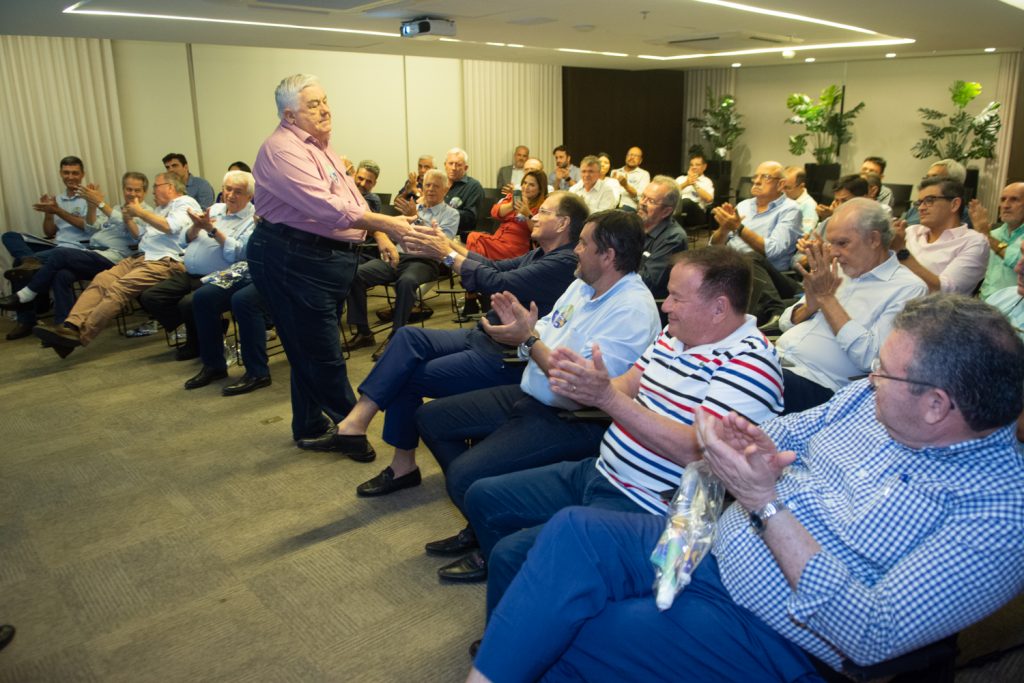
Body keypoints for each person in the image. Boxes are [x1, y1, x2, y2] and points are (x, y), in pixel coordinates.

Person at [469, 293, 1024, 683]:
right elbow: (781, 432)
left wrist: (765, 502)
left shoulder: (1000, 515)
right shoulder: (865, 403)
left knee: (583, 636)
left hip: (775, 631)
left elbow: (872, 634)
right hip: (709, 547)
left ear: (937, 406)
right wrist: (748, 440)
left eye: (884, 372)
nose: (869, 378)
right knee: (572, 534)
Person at [458, 246, 782, 601]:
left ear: (719, 307)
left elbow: (704, 452)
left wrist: (606, 399)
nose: (665, 306)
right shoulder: (675, 336)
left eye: (676, 297)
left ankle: (531, 632)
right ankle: (537, 604)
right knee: (482, 497)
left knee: (512, 554)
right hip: (603, 471)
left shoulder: (750, 363)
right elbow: (627, 384)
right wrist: (588, 382)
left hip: (649, 504)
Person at [415, 210, 664, 583]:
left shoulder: (632, 310)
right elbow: (547, 327)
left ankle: (493, 551)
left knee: (467, 477)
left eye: (583, 243)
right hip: (532, 391)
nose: (575, 250)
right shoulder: (584, 282)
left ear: (608, 255)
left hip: (572, 420)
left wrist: (528, 340)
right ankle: (484, 521)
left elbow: (580, 385)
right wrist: (525, 331)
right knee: (432, 419)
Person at [297, 192, 589, 483]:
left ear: (563, 223)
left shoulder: (564, 263)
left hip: (504, 357)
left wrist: (444, 255)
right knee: (409, 337)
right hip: (483, 337)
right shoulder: (542, 252)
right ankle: (356, 421)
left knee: (405, 375)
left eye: (544, 212)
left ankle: (404, 467)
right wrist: (446, 242)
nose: (534, 216)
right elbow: (495, 266)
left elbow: (499, 282)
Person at [246, 73, 413, 443]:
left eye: (325, 101)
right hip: (292, 256)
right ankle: (350, 428)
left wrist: (380, 231)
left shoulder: (321, 146)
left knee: (306, 343)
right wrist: (388, 222)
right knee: (322, 350)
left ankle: (308, 425)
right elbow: (326, 207)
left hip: (320, 259)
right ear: (289, 116)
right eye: (313, 105)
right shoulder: (282, 150)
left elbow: (351, 198)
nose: (325, 110)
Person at [776, 199, 927, 413]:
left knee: (740, 378)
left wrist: (827, 299)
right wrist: (810, 306)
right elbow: (783, 324)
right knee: (719, 360)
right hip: (777, 361)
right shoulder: (837, 270)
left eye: (842, 243)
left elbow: (872, 359)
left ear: (874, 239)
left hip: (820, 386)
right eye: (831, 243)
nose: (834, 252)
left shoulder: (908, 289)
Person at [32, 172, 200, 356]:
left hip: (164, 261)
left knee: (118, 289)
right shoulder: (160, 209)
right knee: (102, 279)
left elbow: (170, 227)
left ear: (170, 187)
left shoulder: (185, 203)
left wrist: (140, 212)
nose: (152, 191)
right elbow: (140, 235)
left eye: (155, 186)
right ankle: (70, 325)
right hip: (140, 257)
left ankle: (79, 336)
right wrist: (128, 217)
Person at [0, 172, 145, 336]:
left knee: (60, 255)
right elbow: (91, 228)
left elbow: (135, 231)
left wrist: (101, 203)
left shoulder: (146, 212)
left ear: (144, 192)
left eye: (137, 190)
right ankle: (63, 327)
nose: (132, 194)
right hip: (92, 252)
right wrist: (92, 206)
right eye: (128, 189)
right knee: (61, 275)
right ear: (123, 189)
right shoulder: (117, 208)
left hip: (114, 259)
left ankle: (27, 293)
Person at [140, 171, 257, 364]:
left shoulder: (250, 220)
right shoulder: (217, 208)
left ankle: (197, 342)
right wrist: (196, 227)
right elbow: (184, 240)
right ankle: (202, 330)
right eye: (228, 189)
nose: (231, 195)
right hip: (191, 272)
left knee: (188, 303)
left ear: (249, 196)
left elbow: (237, 254)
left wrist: (212, 230)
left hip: (220, 276)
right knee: (151, 297)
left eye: (238, 191)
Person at [345, 168, 459, 360]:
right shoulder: (413, 206)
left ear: (445, 190)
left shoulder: (451, 214)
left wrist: (418, 219)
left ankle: (396, 336)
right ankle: (364, 332)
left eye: (436, 186)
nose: (430, 189)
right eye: (427, 185)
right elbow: (391, 232)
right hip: (398, 256)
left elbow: (441, 244)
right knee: (355, 275)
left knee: (406, 282)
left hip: (425, 261)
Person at [3, 156, 97, 339]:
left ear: (82, 174)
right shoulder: (58, 199)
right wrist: (48, 214)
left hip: (78, 248)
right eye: (66, 172)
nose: (70, 177)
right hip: (56, 244)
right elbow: (49, 231)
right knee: (10, 236)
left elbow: (88, 227)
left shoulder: (90, 198)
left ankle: (26, 320)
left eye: (75, 173)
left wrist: (57, 211)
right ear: (61, 174)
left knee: (18, 265)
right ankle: (30, 261)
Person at [891, 176, 988, 294]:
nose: (921, 208)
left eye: (929, 201)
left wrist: (902, 252)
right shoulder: (911, 232)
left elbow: (945, 291)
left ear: (954, 204)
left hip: (933, 310)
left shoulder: (974, 242)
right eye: (919, 202)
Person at [970, 181, 1024, 299]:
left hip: (1016, 308)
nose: (1005, 205)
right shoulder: (994, 234)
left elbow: (1017, 261)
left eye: (1014, 199)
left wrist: (987, 236)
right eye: (1003, 199)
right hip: (986, 303)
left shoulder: (989, 236)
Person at [635, 175, 686, 299]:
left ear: (666, 212)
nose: (642, 203)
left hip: (651, 305)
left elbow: (647, 282)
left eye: (651, 201)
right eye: (643, 197)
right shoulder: (634, 223)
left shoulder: (673, 238)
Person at [443, 148, 484, 238]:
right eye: (450, 163)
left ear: (465, 168)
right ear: (445, 165)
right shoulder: (438, 184)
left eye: (458, 165)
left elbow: (471, 217)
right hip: (436, 230)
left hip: (459, 236)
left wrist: (445, 211)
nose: (453, 168)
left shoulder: (474, 186)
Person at [675, 152, 715, 229]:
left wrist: (694, 184)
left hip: (697, 215)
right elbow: (669, 192)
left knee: (685, 201)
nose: (694, 167)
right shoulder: (681, 179)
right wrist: (686, 183)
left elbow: (709, 199)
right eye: (691, 165)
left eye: (697, 165)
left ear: (704, 167)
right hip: (678, 211)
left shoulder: (707, 181)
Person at [779, 165, 818, 235]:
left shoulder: (809, 205)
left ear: (801, 186)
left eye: (787, 188)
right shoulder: (785, 199)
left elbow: (805, 234)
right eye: (781, 186)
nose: (782, 191)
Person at [610, 146, 650, 212]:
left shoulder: (644, 174)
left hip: (629, 207)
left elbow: (641, 198)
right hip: (611, 206)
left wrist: (626, 185)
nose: (632, 157)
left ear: (640, 161)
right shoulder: (615, 172)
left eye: (636, 156)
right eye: (630, 155)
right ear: (626, 157)